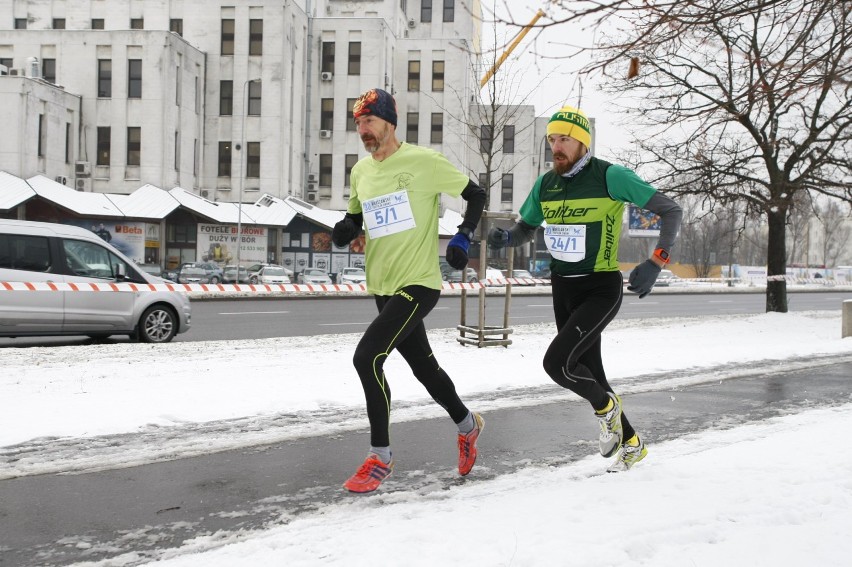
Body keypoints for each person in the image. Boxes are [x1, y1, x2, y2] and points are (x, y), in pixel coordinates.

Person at [488, 105, 682, 472]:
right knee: (591, 371)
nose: (556, 147)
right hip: (562, 288)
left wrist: (657, 261)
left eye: (564, 139)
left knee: (557, 364)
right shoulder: (547, 183)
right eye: (552, 139)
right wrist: (506, 238)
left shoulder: (610, 176)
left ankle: (606, 410)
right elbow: (526, 228)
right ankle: (633, 444)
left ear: (581, 143)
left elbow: (671, 210)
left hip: (599, 288)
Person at [332, 88, 488, 493]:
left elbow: (475, 194)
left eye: (369, 121)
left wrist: (463, 236)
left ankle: (379, 458)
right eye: (358, 124)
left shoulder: (423, 162)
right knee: (424, 368)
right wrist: (347, 228)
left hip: (419, 283)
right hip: (382, 285)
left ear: (389, 122)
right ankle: (468, 425)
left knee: (366, 359)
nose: (363, 131)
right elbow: (356, 215)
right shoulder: (360, 172)